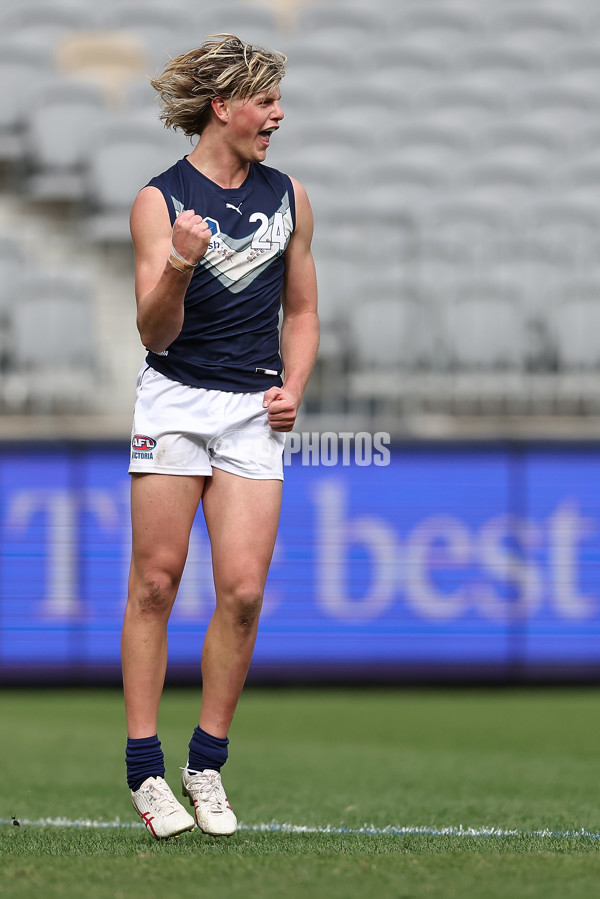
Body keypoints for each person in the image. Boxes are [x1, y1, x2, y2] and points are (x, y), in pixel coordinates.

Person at [121, 34, 319, 840]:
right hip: (173, 401)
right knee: (155, 584)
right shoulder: (157, 201)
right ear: (222, 107)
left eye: (277, 99)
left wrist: (293, 390)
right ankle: (145, 772)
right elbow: (155, 332)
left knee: (241, 591)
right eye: (265, 100)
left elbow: (302, 313)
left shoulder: (292, 197)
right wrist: (180, 264)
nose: (277, 113)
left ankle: (207, 763)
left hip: (249, 414)